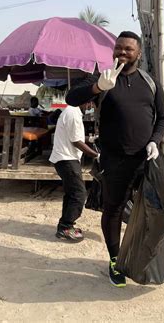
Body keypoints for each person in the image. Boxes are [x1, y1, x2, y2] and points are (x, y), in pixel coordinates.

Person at [66, 31, 164, 287]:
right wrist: (98, 87)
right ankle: (116, 260)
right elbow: (71, 98)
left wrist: (155, 141)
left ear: (139, 54)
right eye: (118, 48)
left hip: (145, 159)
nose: (122, 53)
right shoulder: (103, 77)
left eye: (128, 49)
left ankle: (149, 258)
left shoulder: (151, 82)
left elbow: (163, 118)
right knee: (113, 210)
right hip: (114, 161)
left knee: (152, 211)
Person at [49, 102, 99, 242]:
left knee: (71, 193)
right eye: (91, 103)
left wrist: (90, 139)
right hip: (67, 159)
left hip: (64, 158)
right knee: (79, 194)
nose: (91, 107)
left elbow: (74, 136)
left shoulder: (72, 111)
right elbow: (76, 141)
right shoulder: (73, 113)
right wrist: (96, 155)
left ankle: (64, 225)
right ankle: (66, 227)